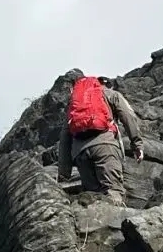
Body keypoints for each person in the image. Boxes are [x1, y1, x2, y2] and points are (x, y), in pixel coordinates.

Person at [58, 74, 144, 207]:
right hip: (105, 146)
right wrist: (137, 144)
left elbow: (65, 137)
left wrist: (64, 172)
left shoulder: (74, 103)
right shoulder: (111, 94)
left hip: (80, 153)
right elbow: (128, 116)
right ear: (106, 85)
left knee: (91, 198)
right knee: (113, 192)